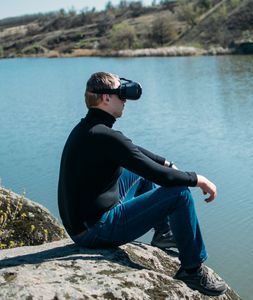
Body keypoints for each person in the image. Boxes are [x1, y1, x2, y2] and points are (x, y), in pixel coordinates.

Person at [57, 71, 227, 296]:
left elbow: (133, 152)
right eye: (121, 94)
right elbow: (162, 177)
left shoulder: (90, 129)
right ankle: (192, 269)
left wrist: (165, 161)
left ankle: (164, 235)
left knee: (138, 172)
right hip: (95, 232)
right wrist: (197, 179)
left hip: (85, 223)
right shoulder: (103, 136)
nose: (125, 100)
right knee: (179, 193)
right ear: (106, 98)